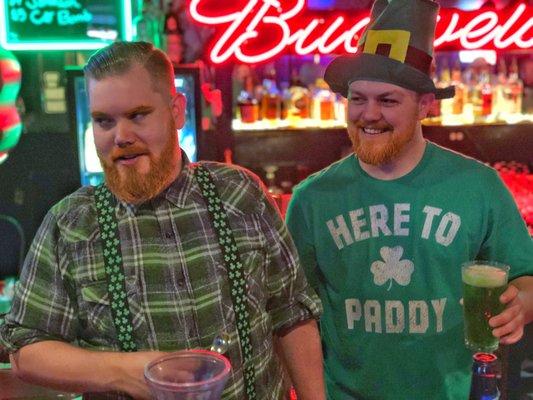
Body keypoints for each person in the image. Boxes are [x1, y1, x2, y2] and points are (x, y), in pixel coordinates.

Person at [0, 41, 325, 400]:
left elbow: (292, 313)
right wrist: (129, 372)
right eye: (104, 121)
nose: (121, 136)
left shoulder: (239, 193)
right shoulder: (71, 223)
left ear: (177, 111)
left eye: (138, 115)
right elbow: (25, 350)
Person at [285, 0, 533, 399]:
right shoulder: (311, 200)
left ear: (425, 106)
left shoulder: (479, 186)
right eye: (357, 98)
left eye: (387, 100)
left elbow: (527, 276)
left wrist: (521, 303)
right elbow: (293, 317)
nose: (368, 114)